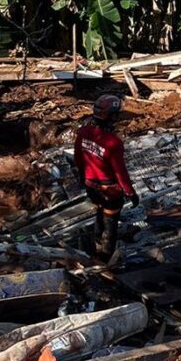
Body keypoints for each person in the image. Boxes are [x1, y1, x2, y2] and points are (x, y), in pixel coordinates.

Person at [73, 94, 139, 262]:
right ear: (112, 116)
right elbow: (120, 172)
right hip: (109, 189)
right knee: (110, 223)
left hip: (90, 185)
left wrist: (84, 179)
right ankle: (105, 258)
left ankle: (95, 247)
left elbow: (79, 159)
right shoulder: (113, 142)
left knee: (99, 213)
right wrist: (130, 192)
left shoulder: (83, 132)